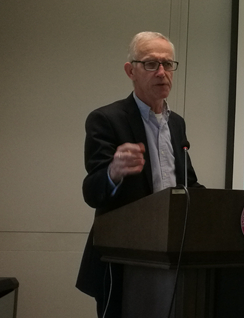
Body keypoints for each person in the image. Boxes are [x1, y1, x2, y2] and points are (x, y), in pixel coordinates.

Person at [76, 31, 203, 318]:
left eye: (167, 64)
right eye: (151, 64)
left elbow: (189, 184)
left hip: (169, 258)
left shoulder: (176, 123)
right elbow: (92, 191)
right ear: (130, 70)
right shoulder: (107, 119)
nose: (162, 72)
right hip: (122, 259)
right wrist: (113, 172)